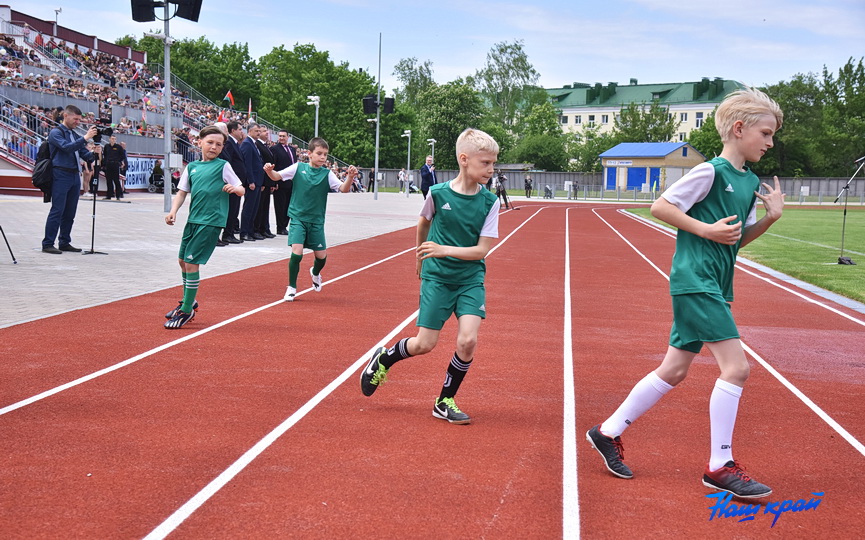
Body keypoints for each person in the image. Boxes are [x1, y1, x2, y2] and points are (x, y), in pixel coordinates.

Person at [585, 87, 785, 499]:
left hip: (715, 283)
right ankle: (719, 465)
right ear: (739, 128)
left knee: (674, 370)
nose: (769, 142)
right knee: (737, 368)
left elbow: (735, 241)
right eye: (765, 133)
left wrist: (770, 219)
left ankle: (607, 431)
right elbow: (661, 207)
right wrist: (705, 229)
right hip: (695, 281)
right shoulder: (710, 171)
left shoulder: (749, 182)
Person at [360, 128, 501, 425]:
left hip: (470, 279)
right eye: (485, 163)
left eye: (493, 163)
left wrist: (443, 249)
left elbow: (481, 251)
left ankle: (444, 400)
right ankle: (385, 359)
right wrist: (419, 256)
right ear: (464, 160)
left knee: (468, 341)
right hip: (437, 278)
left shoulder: (490, 202)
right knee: (425, 344)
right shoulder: (437, 194)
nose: (491, 169)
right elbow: (422, 225)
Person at [163, 125, 245, 329]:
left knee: (192, 264)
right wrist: (173, 211)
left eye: (218, 144)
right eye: (210, 142)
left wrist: (235, 189)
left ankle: (186, 310)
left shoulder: (223, 166)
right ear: (199, 143)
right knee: (183, 261)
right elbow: (182, 192)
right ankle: (188, 300)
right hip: (194, 221)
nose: (214, 147)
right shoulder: (192, 168)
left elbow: (241, 188)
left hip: (211, 221)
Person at [263, 137, 358, 302]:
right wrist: (269, 171)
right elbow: (277, 176)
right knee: (297, 253)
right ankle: (291, 287)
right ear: (309, 154)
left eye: (325, 154)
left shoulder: (327, 174)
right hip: (298, 217)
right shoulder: (298, 168)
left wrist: (349, 177)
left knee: (321, 256)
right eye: (319, 153)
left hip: (316, 220)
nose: (323, 157)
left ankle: (315, 272)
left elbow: (343, 189)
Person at [42, 105, 100, 254]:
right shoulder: (56, 133)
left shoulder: (73, 135)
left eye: (79, 120)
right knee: (57, 210)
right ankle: (48, 243)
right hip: (60, 174)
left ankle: (64, 241)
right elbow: (66, 147)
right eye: (75, 119)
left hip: (74, 175)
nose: (78, 122)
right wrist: (85, 138)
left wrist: (94, 153)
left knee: (70, 212)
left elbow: (83, 153)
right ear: (65, 116)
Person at [239, 123, 264, 241]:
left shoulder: (253, 144)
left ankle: (250, 230)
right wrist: (251, 181)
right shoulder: (247, 144)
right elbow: (247, 164)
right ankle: (244, 232)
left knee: (254, 208)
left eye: (259, 131)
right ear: (249, 131)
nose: (258, 133)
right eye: (256, 131)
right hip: (252, 182)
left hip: (258, 181)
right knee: (249, 208)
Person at [270, 130, 296, 235]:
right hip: (280, 182)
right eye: (280, 136)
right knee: (280, 205)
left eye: (283, 136)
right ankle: (280, 227)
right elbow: (273, 166)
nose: (281, 138)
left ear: (288, 137)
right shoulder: (274, 149)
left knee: (289, 205)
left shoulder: (292, 149)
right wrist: (274, 182)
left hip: (291, 183)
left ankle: (284, 225)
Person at [102, 134, 126, 200]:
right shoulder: (106, 146)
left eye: (114, 139)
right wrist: (105, 163)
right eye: (112, 139)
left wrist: (118, 161)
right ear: (109, 139)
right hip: (108, 164)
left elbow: (122, 156)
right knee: (109, 180)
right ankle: (109, 195)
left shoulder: (118, 147)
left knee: (116, 180)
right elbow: (105, 155)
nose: (113, 140)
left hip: (115, 164)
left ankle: (118, 195)